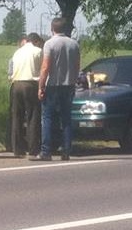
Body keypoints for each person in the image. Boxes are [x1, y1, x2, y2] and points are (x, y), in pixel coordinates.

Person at [32, 18, 80, 161]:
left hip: (53, 85)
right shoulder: (74, 44)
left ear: (52, 28)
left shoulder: (49, 44)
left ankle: (46, 151)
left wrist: (41, 86)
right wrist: (74, 81)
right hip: (68, 85)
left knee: (47, 118)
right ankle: (66, 151)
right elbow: (77, 66)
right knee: (66, 119)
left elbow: (45, 67)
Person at [10, 33, 44, 158]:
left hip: (16, 84)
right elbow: (42, 69)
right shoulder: (38, 51)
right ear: (36, 41)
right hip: (30, 84)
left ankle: (17, 148)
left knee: (17, 116)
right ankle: (33, 148)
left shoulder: (18, 52)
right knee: (32, 116)